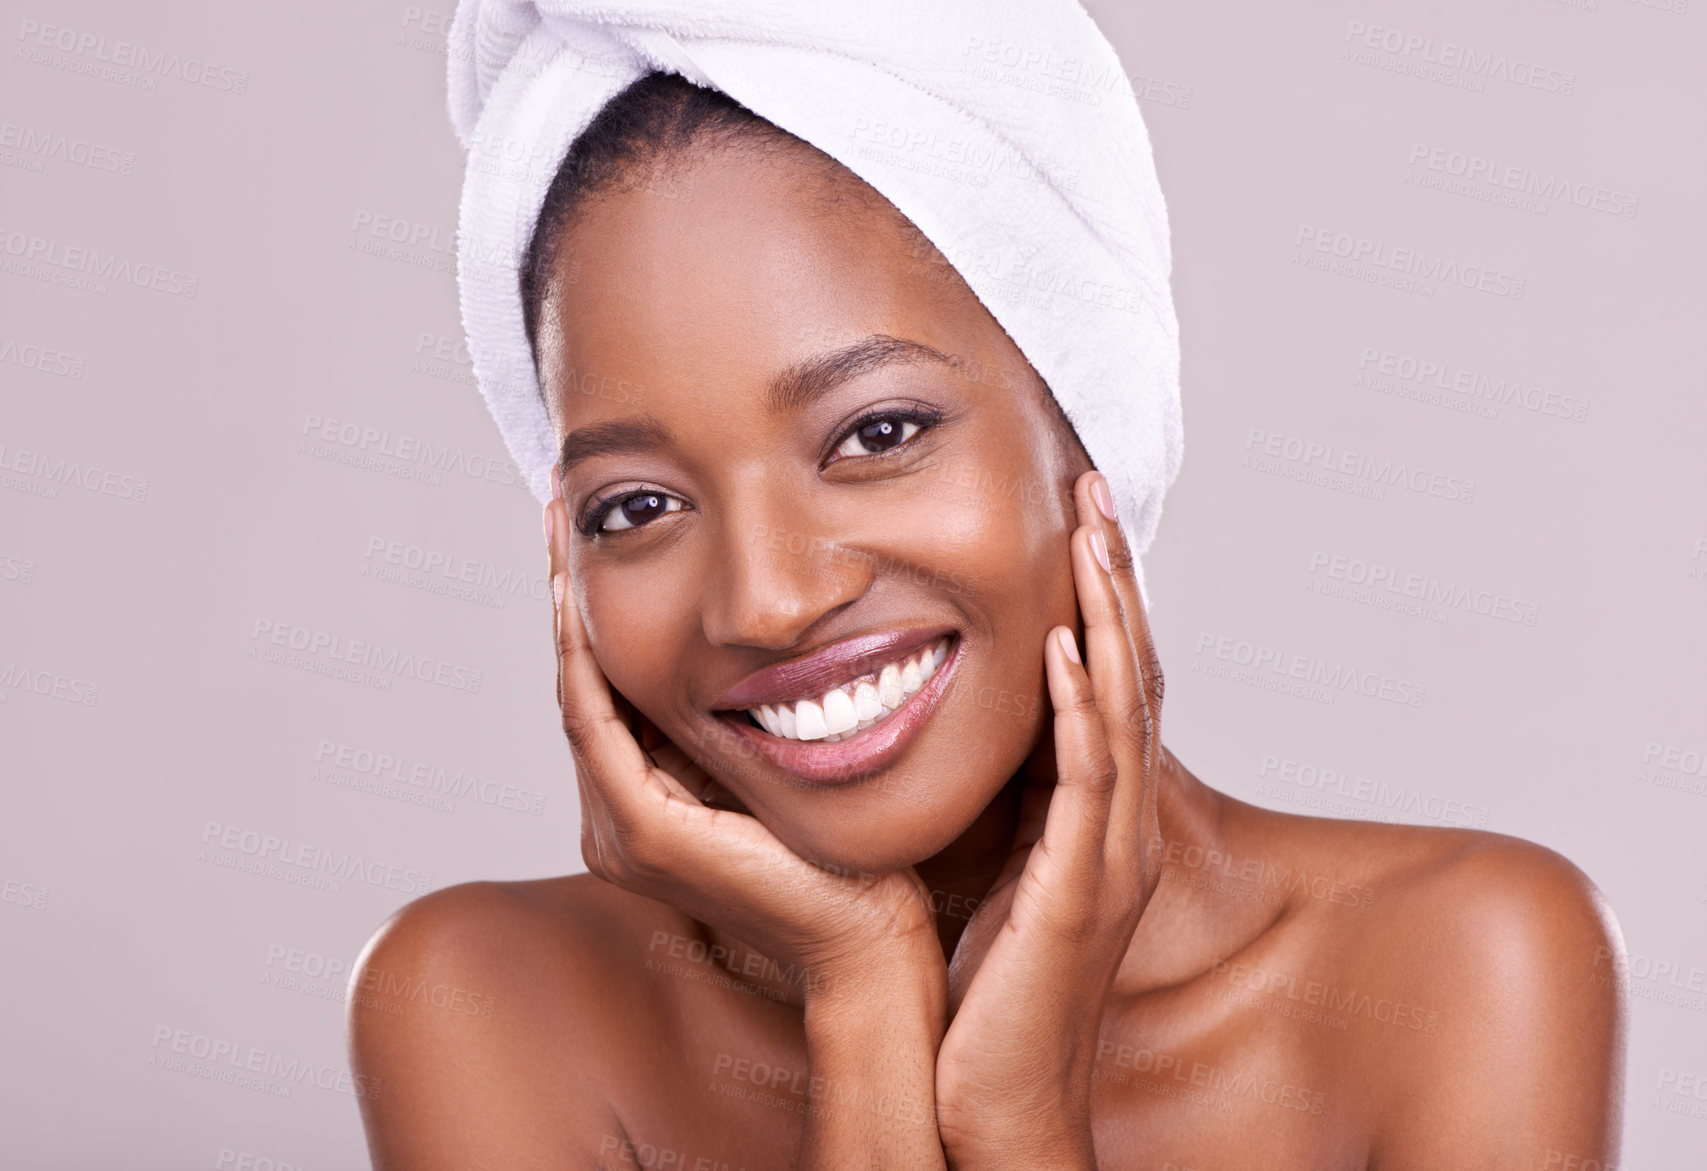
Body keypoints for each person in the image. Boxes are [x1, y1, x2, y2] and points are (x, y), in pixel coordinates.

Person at [347, 67, 1626, 1171]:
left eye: (878, 433)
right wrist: (864, 1007)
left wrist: (1017, 1119)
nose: (766, 601)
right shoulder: (487, 997)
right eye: (635, 506)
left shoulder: (1463, 966)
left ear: (1092, 439)